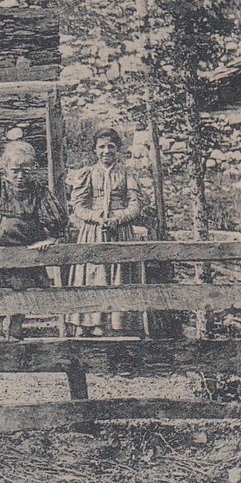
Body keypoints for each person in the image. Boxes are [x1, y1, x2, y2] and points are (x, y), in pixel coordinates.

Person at [0, 141, 67, 339]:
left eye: (26, 171)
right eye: (15, 171)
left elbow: (56, 217)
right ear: (5, 167)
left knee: (23, 290)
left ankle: (15, 326)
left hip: (25, 252)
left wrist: (50, 239)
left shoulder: (38, 191)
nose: (21, 176)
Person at [67, 127, 144, 337]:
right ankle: (92, 324)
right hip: (93, 232)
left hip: (121, 232)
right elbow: (78, 206)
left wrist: (118, 218)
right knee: (95, 274)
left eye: (111, 146)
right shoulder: (88, 174)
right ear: (94, 150)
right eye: (101, 147)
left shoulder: (127, 174)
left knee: (121, 276)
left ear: (118, 149)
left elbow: (135, 205)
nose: (106, 151)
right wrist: (96, 217)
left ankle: (120, 327)